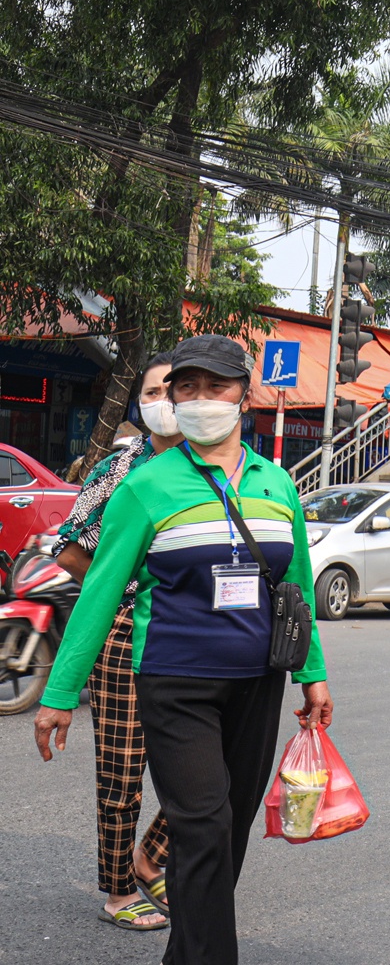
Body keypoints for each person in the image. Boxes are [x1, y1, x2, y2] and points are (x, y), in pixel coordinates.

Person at [34, 333, 333, 964]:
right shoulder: (146, 486)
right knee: (203, 826)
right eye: (186, 389)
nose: (200, 400)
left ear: (243, 397)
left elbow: (296, 589)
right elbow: (97, 593)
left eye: (215, 387)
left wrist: (313, 677)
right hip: (174, 679)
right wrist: (60, 693)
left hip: (258, 680)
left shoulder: (276, 483)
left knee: (233, 830)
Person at [50, 352, 179, 932]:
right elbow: (72, 549)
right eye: (152, 392)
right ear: (140, 402)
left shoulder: (216, 470)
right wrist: (127, 586)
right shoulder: (121, 469)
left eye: (173, 391)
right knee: (123, 774)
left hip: (195, 638)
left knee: (216, 763)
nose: (164, 402)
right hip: (126, 634)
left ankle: (152, 854)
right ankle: (119, 890)